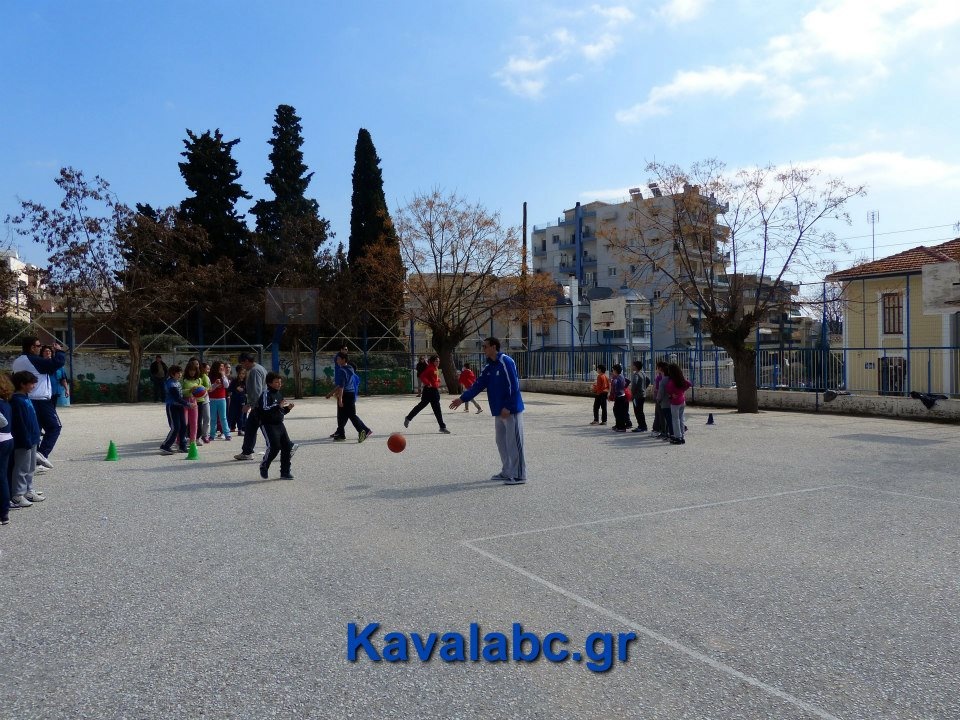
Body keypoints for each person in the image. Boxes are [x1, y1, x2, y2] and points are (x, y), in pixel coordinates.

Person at [449, 337, 526, 485]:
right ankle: (507, 471)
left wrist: (508, 406)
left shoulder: (506, 361)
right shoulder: (489, 366)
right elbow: (478, 385)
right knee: (501, 442)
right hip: (498, 410)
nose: (483, 349)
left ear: (494, 347)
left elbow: (514, 385)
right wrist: (462, 399)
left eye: (485, 346)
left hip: (511, 410)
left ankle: (519, 475)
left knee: (514, 442)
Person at [11, 336, 66, 469]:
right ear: (32, 347)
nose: (41, 348)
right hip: (40, 400)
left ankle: (32, 463)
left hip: (25, 398)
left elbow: (48, 370)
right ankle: (41, 454)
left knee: (35, 431)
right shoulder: (34, 360)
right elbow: (58, 363)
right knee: (54, 427)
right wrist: (59, 351)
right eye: (39, 345)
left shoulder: (17, 361)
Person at [9, 370, 44, 508]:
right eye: (31, 384)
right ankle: (18, 494)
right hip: (24, 440)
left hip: (33, 437)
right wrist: (25, 439)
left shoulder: (26, 397)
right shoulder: (17, 400)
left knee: (30, 467)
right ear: (22, 384)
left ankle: (28, 490)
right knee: (21, 467)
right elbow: (20, 423)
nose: (33, 386)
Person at [257, 372, 295, 480]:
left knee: (287, 446)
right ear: (269, 383)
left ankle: (285, 472)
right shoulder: (266, 394)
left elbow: (280, 411)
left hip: (279, 424)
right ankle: (265, 465)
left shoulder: (279, 394)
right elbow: (264, 409)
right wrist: (278, 406)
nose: (279, 384)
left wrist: (287, 409)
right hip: (268, 424)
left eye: (280, 382)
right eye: (276, 382)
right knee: (274, 447)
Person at [330, 352, 372, 443]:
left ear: (343, 360)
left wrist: (340, 399)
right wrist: (331, 393)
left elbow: (341, 386)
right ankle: (341, 434)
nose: (337, 360)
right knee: (341, 416)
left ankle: (362, 431)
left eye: (338, 359)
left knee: (351, 415)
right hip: (351, 394)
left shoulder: (342, 370)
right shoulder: (350, 368)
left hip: (346, 395)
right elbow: (342, 384)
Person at [404, 355, 450, 434]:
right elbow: (422, 376)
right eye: (436, 361)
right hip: (428, 391)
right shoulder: (429, 368)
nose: (438, 362)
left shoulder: (436, 368)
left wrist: (437, 383)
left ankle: (442, 427)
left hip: (434, 391)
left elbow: (436, 378)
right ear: (432, 362)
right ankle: (408, 418)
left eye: (439, 361)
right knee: (421, 406)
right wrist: (428, 383)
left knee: (437, 410)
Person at [234, 352, 267, 461]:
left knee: (267, 429)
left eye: (242, 363)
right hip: (259, 404)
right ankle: (247, 452)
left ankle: (285, 447)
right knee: (250, 428)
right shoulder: (260, 368)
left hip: (259, 406)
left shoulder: (254, 371)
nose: (243, 366)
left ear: (247, 361)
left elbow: (257, 390)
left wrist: (249, 405)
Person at [159, 365, 190, 455]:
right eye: (178, 373)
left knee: (183, 426)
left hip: (180, 407)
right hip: (172, 407)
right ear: (172, 374)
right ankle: (165, 446)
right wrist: (188, 404)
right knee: (175, 427)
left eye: (181, 372)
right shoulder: (170, 383)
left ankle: (182, 446)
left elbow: (181, 395)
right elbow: (177, 398)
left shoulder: (177, 382)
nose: (180, 374)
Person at [665, 363, 692, 445]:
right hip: (682, 400)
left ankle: (677, 437)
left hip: (675, 402)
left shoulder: (671, 382)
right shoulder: (681, 379)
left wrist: (671, 395)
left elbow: (669, 391)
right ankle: (682, 436)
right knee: (681, 419)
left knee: (675, 420)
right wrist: (682, 391)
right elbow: (689, 384)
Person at [0, 373, 14, 525]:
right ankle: (4, 512)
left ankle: (3, 512)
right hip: (7, 439)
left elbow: (2, 422)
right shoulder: (5, 402)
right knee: (2, 476)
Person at [179, 361, 203, 446]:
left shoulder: (199, 379)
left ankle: (193, 441)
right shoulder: (183, 380)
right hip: (185, 402)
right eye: (190, 370)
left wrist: (202, 392)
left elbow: (202, 392)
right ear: (187, 370)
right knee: (184, 423)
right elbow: (179, 392)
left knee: (194, 422)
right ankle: (180, 440)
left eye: (194, 370)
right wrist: (189, 390)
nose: (192, 372)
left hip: (194, 402)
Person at [207, 360, 231, 441]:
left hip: (222, 399)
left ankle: (227, 434)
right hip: (212, 399)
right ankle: (212, 435)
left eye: (222, 367)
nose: (222, 368)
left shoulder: (223, 376)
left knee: (223, 417)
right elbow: (209, 389)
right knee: (213, 418)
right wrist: (215, 384)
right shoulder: (210, 376)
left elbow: (227, 385)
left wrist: (223, 375)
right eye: (220, 367)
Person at [654, 360, 674, 441]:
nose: (657, 369)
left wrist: (658, 398)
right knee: (667, 417)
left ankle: (665, 432)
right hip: (668, 400)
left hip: (662, 400)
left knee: (664, 417)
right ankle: (666, 432)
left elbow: (661, 391)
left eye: (657, 368)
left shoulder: (663, 379)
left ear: (661, 368)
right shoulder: (667, 378)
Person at [610, 363, 630, 432]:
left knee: (619, 412)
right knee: (616, 411)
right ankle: (618, 425)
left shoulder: (617, 378)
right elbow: (628, 381)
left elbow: (614, 386)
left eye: (613, 370)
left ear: (615, 371)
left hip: (620, 397)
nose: (612, 372)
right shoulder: (621, 376)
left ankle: (621, 427)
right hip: (621, 396)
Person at [630, 360, 649, 433]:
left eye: (633, 365)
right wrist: (644, 388)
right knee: (640, 411)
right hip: (642, 395)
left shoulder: (636, 375)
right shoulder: (643, 373)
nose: (632, 366)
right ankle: (642, 425)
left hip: (637, 396)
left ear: (636, 366)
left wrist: (633, 393)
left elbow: (634, 385)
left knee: (637, 411)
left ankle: (642, 426)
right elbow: (648, 381)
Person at [228, 365, 247, 436]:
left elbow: (248, 391)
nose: (242, 375)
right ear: (238, 374)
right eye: (240, 373)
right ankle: (227, 430)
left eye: (243, 374)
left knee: (241, 416)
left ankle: (240, 429)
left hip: (242, 401)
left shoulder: (246, 382)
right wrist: (235, 389)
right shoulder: (234, 381)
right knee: (231, 415)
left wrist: (244, 392)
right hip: (234, 400)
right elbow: (229, 390)